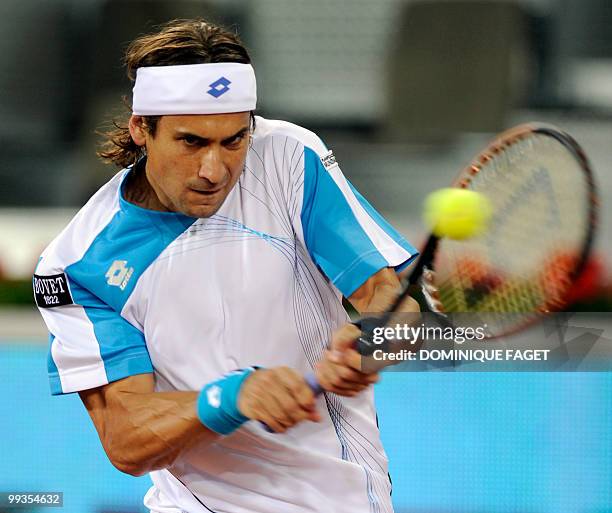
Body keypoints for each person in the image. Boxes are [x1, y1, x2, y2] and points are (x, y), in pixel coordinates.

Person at [33, 18, 419, 513]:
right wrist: (232, 397)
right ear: (141, 129)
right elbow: (125, 439)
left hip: (339, 499)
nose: (215, 171)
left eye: (235, 140)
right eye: (191, 142)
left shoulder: (288, 158)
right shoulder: (76, 266)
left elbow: (394, 306)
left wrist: (373, 344)